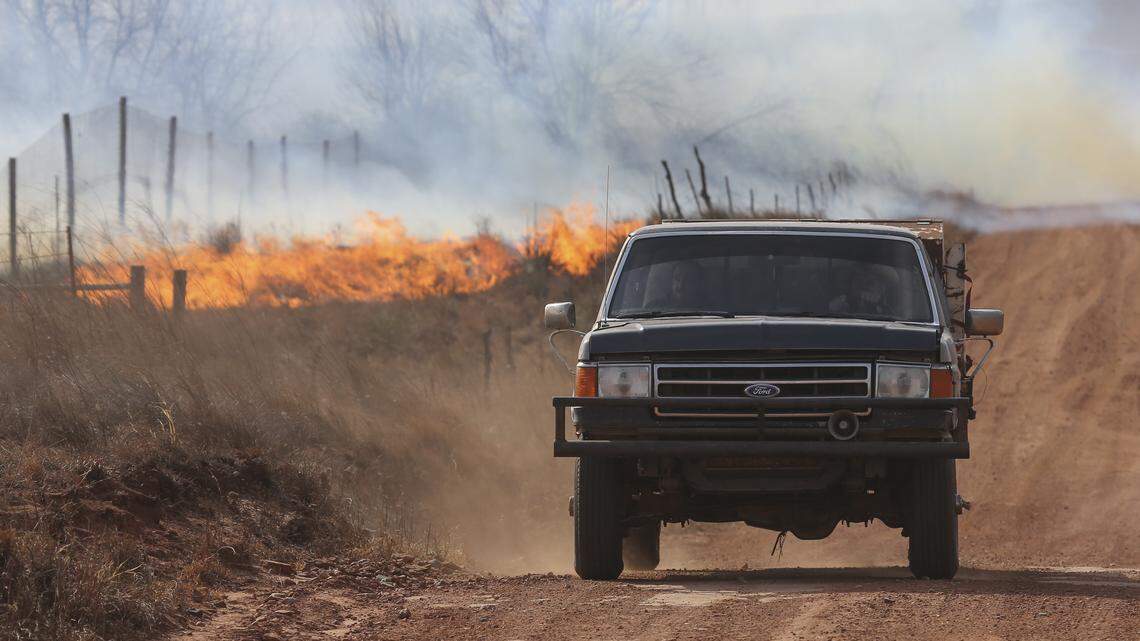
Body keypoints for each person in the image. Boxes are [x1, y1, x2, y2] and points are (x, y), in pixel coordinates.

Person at [829, 263, 898, 318]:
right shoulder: (840, 303)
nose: (864, 285)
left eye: (870, 282)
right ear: (850, 283)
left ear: (881, 289)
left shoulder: (887, 313)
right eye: (859, 279)